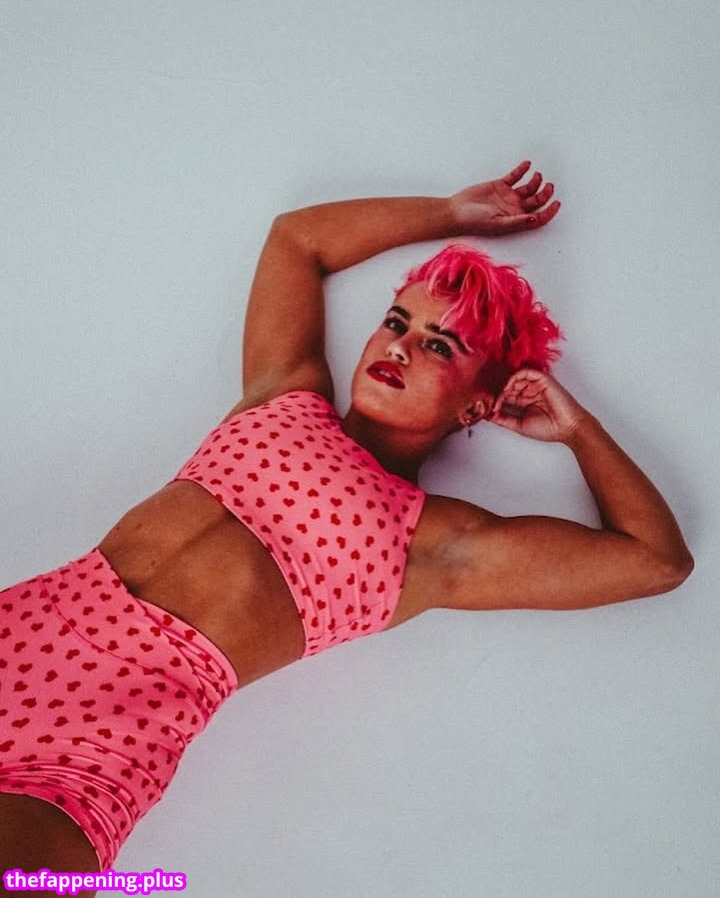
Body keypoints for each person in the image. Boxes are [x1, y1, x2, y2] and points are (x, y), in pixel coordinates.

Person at [0, 160, 693, 892]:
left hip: (98, 745)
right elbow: (297, 241)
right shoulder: (284, 393)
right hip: (21, 634)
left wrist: (579, 430)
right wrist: (449, 212)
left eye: (440, 345)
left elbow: (655, 559)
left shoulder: (431, 544)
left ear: (477, 405)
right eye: (397, 323)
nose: (399, 347)